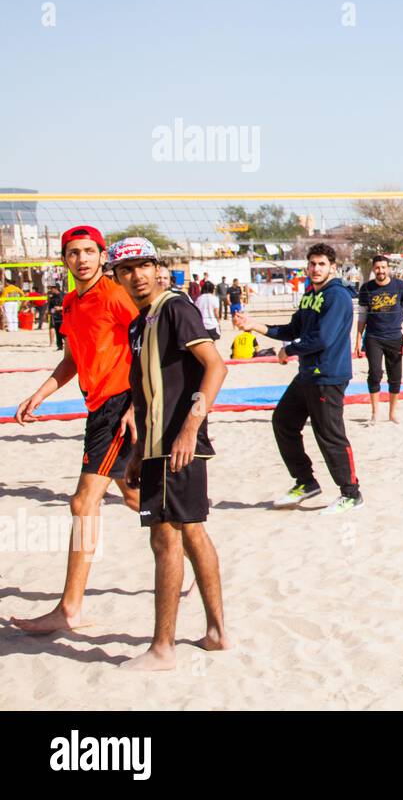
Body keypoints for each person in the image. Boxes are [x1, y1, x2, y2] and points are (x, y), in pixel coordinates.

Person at [9, 226, 141, 634]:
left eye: (88, 252)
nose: (81, 259)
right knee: (137, 495)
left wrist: (138, 404)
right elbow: (71, 361)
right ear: (64, 259)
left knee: (83, 504)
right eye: (73, 253)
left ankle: (69, 609)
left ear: (103, 257)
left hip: (120, 407)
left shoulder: (116, 296)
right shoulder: (69, 303)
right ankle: (193, 555)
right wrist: (40, 394)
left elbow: (148, 348)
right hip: (97, 407)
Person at [109, 237, 231, 670]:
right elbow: (146, 392)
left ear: (157, 267)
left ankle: (163, 648)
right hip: (158, 446)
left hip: (178, 446)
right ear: (118, 277)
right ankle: (216, 633)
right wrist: (139, 448)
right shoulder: (139, 324)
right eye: (127, 269)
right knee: (192, 533)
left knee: (164, 539)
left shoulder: (175, 308)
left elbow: (216, 365)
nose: (137, 275)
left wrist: (189, 431)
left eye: (144, 265)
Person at [234, 243, 363, 513]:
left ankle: (351, 493)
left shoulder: (336, 296)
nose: (316, 269)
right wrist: (254, 325)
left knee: (329, 435)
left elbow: (323, 338)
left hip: (327, 375)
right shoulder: (309, 295)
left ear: (333, 267)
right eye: (312, 264)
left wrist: (289, 350)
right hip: (308, 374)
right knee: (282, 421)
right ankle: (306, 482)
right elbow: (293, 328)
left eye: (321, 264)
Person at [355, 255, 403, 424]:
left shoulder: (399, 286)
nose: (381, 270)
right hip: (374, 337)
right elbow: (362, 316)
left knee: (395, 376)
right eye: (377, 267)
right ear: (374, 269)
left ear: (388, 268)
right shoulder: (366, 289)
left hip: (395, 337)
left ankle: (392, 413)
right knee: (375, 374)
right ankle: (374, 413)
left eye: (383, 267)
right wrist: (358, 339)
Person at [47, 283, 65, 351]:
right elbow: (50, 308)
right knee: (57, 331)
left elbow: (69, 306)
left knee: (64, 332)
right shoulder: (52, 297)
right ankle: (59, 346)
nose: (51, 290)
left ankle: (67, 346)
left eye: (52, 288)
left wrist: (60, 308)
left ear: (56, 288)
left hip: (63, 316)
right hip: (55, 316)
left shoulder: (64, 296)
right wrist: (52, 311)